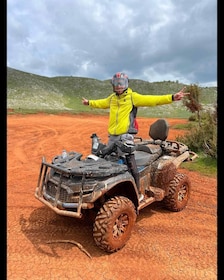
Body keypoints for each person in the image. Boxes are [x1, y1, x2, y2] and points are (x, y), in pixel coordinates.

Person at [82, 72, 190, 145]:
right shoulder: (112, 98)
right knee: (109, 160)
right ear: (113, 85)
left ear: (126, 84)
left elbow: (152, 100)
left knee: (126, 162)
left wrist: (171, 97)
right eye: (116, 83)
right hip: (112, 136)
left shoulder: (132, 97)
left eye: (122, 83)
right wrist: (89, 103)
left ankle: (136, 179)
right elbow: (101, 103)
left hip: (126, 135)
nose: (119, 86)